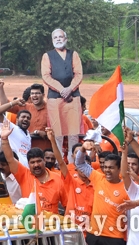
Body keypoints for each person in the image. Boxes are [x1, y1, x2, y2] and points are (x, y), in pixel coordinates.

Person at [0, 121, 66, 214]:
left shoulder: (58, 179)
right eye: (32, 162)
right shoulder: (24, 175)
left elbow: (66, 205)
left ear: (44, 161)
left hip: (51, 226)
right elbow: (10, 159)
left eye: (39, 161)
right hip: (29, 225)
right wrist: (4, 139)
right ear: (28, 164)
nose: (36, 165)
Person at [41, 29, 83, 159]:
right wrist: (62, 90)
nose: (58, 39)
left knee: (73, 133)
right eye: (56, 37)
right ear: (52, 40)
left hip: (73, 97)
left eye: (61, 37)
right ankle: (58, 164)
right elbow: (46, 76)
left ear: (66, 39)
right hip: (55, 99)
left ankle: (73, 164)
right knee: (57, 134)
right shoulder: (47, 56)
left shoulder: (73, 54)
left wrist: (70, 89)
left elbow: (79, 74)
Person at [0, 80, 51, 151]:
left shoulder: (51, 110)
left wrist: (46, 134)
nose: (34, 95)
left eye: (37, 93)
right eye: (32, 93)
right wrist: (1, 88)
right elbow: (5, 105)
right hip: (26, 151)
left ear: (43, 95)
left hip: (45, 151)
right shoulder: (24, 107)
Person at [0, 99, 32, 166]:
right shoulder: (11, 128)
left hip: (25, 171)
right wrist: (14, 103)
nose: (26, 119)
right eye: (23, 117)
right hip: (13, 170)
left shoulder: (28, 134)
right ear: (17, 119)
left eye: (28, 118)